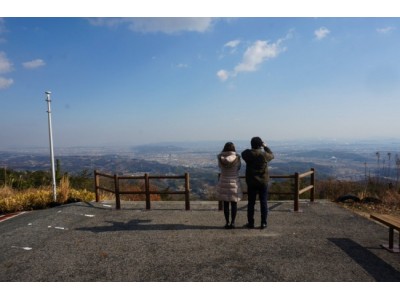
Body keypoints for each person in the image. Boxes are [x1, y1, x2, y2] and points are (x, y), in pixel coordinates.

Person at [241, 137, 274, 229]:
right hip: (263, 181)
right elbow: (272, 155)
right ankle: (263, 223)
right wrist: (265, 147)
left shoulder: (248, 154)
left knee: (251, 203)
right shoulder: (264, 155)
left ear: (252, 144)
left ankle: (251, 223)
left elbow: (243, 153)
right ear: (260, 145)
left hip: (251, 182)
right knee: (263, 202)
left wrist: (253, 147)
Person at [216, 142, 243, 229]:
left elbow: (220, 167)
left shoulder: (220, 158)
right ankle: (233, 222)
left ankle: (227, 222)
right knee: (234, 204)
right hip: (234, 182)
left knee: (226, 204)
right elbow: (238, 168)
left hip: (224, 181)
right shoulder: (237, 158)